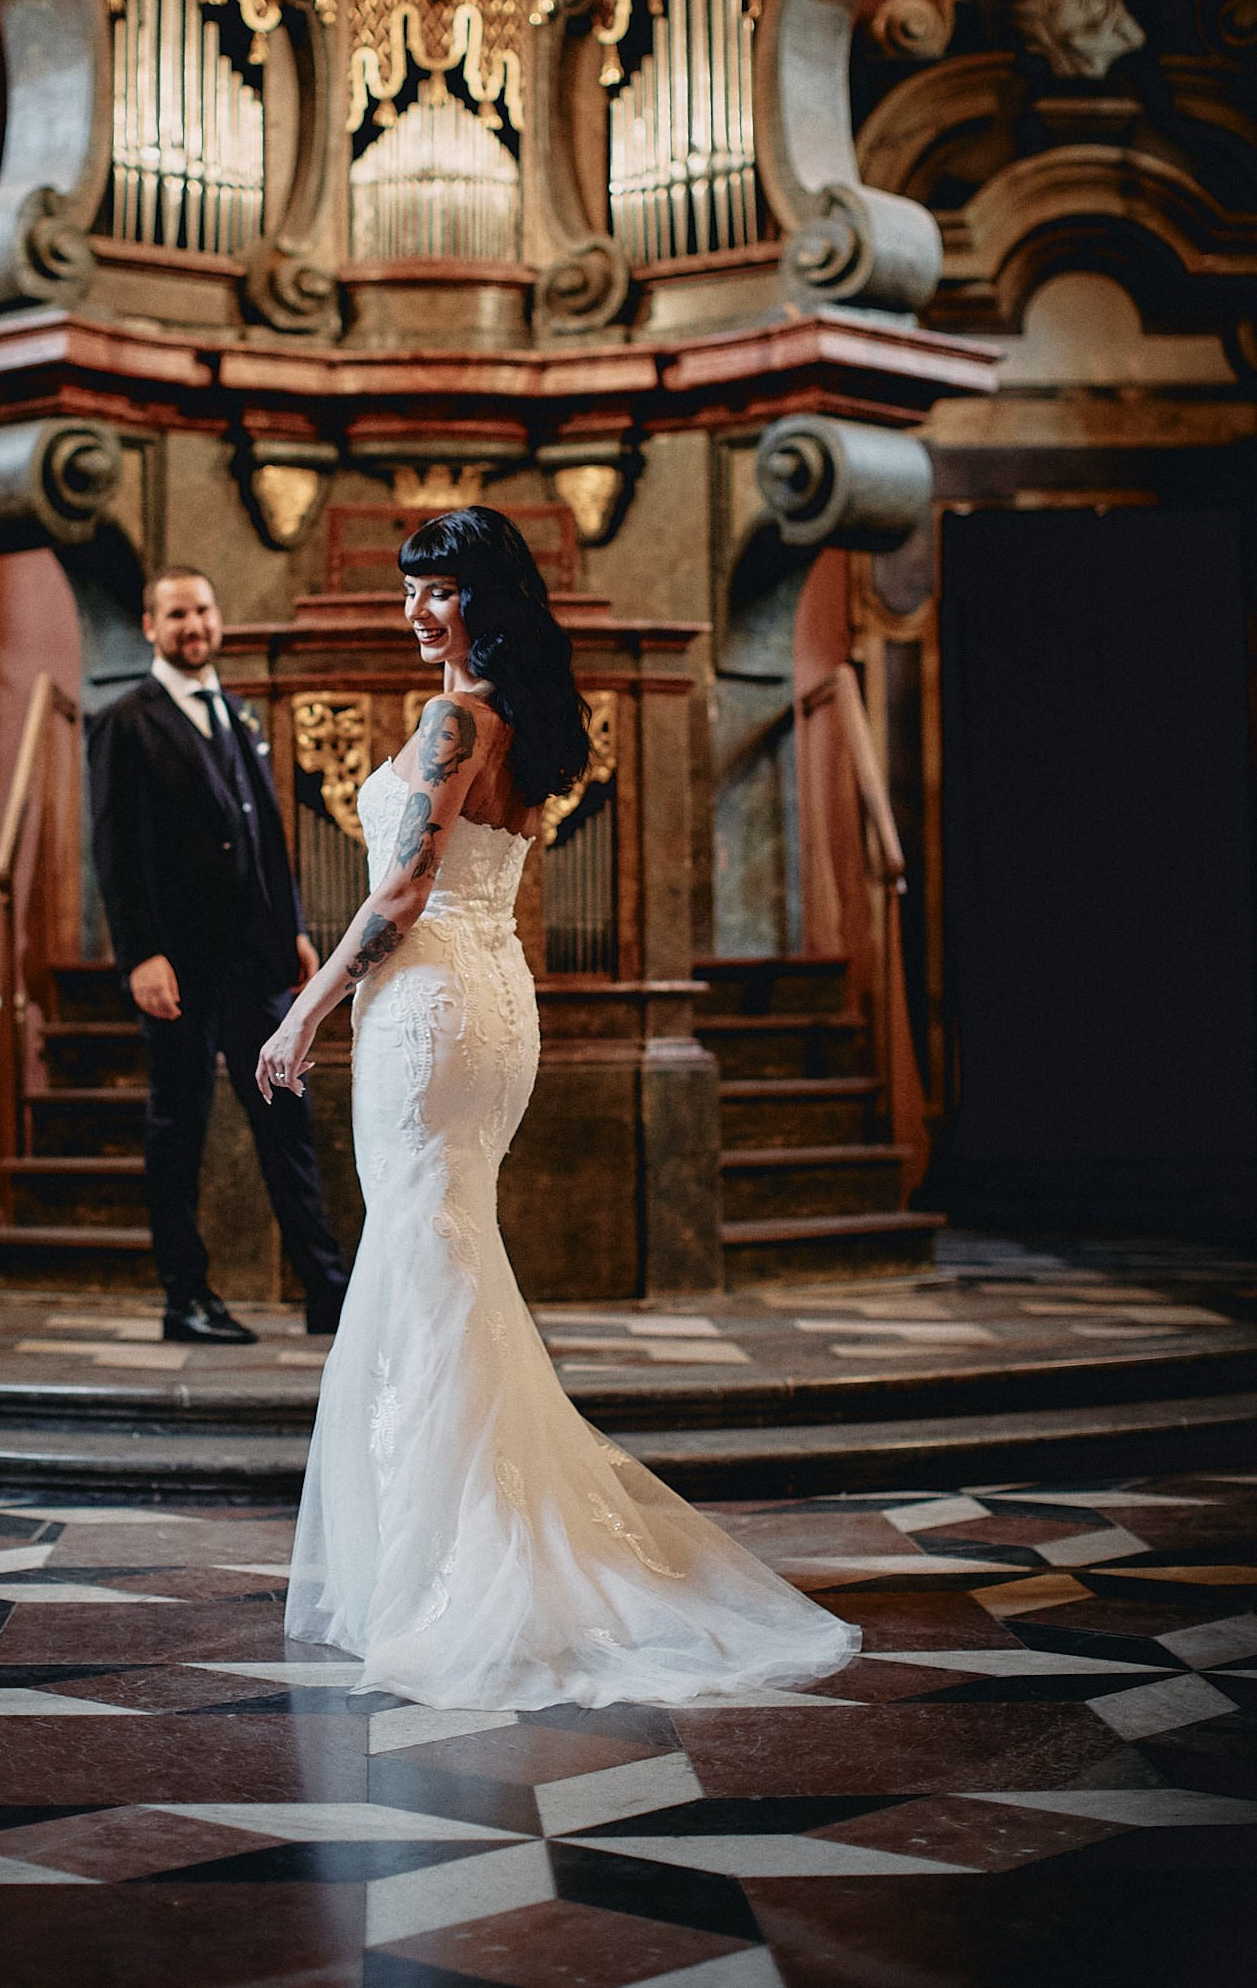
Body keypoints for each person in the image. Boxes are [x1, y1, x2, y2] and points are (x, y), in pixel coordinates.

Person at [256, 508, 859, 1708]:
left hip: (430, 1004)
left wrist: (304, 1011)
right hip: (493, 998)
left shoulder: (454, 720)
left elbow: (405, 890)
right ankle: (459, 1541)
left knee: (428, 1263)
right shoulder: (529, 719)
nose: (416, 611)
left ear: (486, 596)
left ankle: (459, 1569)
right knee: (447, 1256)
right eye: (409, 590)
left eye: (438, 590)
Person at [88, 566, 349, 1343]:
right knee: (180, 1127)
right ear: (150, 627)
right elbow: (113, 851)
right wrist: (140, 953)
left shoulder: (237, 713)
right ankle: (186, 1298)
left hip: (255, 960)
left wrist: (291, 926)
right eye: (176, 615)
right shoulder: (125, 721)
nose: (193, 625)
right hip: (178, 966)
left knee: (287, 1123)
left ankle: (327, 1292)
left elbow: (265, 830)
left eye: (202, 610)